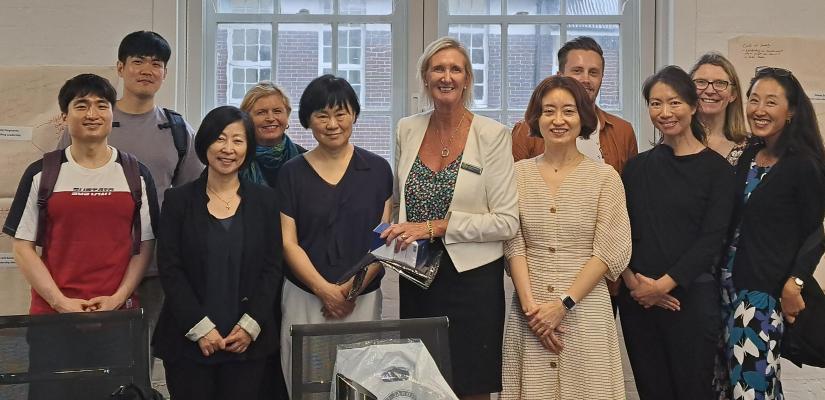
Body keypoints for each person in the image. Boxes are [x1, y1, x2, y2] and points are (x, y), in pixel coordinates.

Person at [3, 73, 158, 399]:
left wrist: (117, 299)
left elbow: (144, 246)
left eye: (102, 105)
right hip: (52, 321)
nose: (92, 114)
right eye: (81, 105)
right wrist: (61, 303)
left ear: (112, 115)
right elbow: (23, 247)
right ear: (64, 116)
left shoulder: (135, 173)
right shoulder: (42, 173)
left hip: (118, 320)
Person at [381, 37, 519, 400]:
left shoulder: (493, 134)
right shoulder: (406, 128)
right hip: (418, 276)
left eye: (455, 69)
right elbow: (399, 202)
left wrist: (435, 227)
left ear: (467, 79)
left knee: (472, 384)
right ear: (425, 78)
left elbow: (506, 221)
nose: (446, 76)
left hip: (473, 282)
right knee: (421, 383)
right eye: (437, 69)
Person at [57, 30, 204, 345]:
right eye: (138, 61)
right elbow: (58, 190)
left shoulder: (177, 130)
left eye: (156, 63)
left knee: (140, 361)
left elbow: (192, 200)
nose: (147, 70)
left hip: (154, 271)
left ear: (165, 73)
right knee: (84, 359)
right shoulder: (91, 121)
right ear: (121, 68)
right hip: (90, 268)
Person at [501, 75, 631, 400]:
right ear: (536, 118)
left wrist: (562, 306)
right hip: (528, 313)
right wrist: (534, 312)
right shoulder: (517, 174)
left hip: (586, 311)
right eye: (549, 111)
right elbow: (512, 244)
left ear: (583, 118)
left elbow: (608, 251)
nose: (558, 120)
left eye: (568, 111)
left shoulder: (605, 177)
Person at [619, 66, 734, 400]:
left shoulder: (718, 171)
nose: (665, 113)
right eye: (656, 104)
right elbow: (619, 231)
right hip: (638, 300)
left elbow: (713, 239)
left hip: (690, 303)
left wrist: (663, 286)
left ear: (693, 105)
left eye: (674, 103)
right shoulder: (637, 168)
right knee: (652, 391)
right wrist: (633, 283)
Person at [152, 106, 283, 399]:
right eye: (220, 139)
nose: (228, 149)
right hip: (189, 340)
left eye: (238, 140)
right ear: (205, 143)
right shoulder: (178, 201)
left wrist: (251, 325)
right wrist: (199, 328)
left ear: (248, 148)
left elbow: (272, 267)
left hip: (247, 340)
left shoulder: (265, 201)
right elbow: (170, 268)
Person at [277, 74, 392, 397]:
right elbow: (288, 241)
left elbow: (382, 242)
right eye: (321, 115)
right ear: (307, 120)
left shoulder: (379, 169)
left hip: (362, 298)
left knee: (361, 385)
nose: (332, 124)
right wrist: (324, 290)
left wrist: (349, 291)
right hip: (305, 296)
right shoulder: (292, 172)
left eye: (341, 113)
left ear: (354, 114)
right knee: (307, 385)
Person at [716, 67, 825, 400]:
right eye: (754, 100)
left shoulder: (803, 164)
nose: (759, 110)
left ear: (791, 111)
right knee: (742, 381)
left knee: (751, 386)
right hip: (727, 284)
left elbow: (816, 232)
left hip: (762, 291)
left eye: (771, 102)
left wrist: (796, 281)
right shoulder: (749, 154)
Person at [510, 35, 638, 309]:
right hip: (535, 287)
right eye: (577, 71)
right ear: (560, 75)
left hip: (597, 285)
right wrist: (531, 304)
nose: (586, 79)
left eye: (594, 72)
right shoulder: (524, 134)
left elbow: (623, 213)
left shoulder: (622, 132)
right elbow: (513, 218)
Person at [239, 81, 307, 187]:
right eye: (261, 112)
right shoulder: (235, 159)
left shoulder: (306, 161)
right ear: (247, 118)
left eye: (277, 111)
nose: (270, 118)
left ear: (287, 115)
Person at [689, 52, 749, 165]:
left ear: (733, 94)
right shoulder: (675, 142)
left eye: (720, 83)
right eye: (701, 82)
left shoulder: (750, 149)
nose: (710, 91)